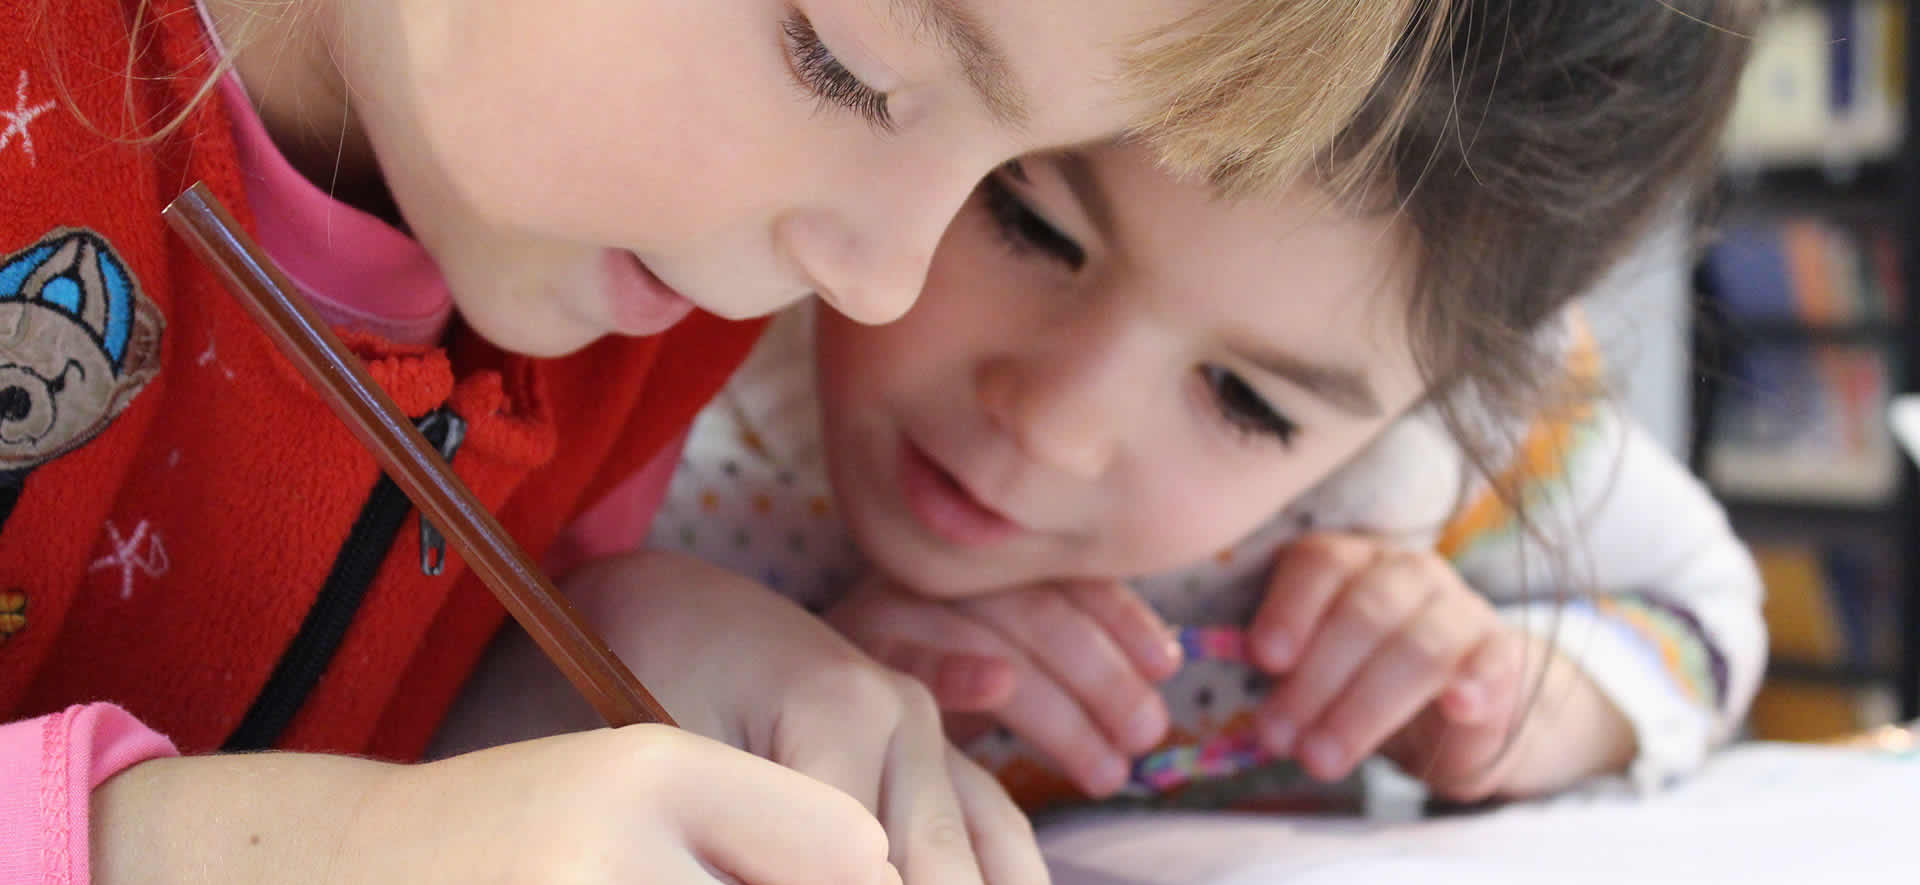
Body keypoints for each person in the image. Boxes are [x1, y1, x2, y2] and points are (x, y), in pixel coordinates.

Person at [0, 0, 1443, 885]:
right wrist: (238, 865)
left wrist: (604, 664)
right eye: (846, 66)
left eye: (999, 172)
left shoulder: (637, 294)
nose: (880, 283)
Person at [511, 0, 1764, 817]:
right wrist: (700, 672)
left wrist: (1525, 702)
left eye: (1247, 402)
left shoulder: (1441, 462)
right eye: (1030, 225)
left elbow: (1704, 609)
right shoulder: (674, 312)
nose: (1054, 427)